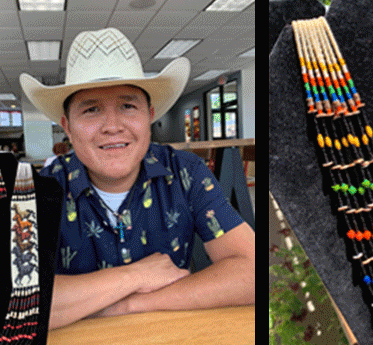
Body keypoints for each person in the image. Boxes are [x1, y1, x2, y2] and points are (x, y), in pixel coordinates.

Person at [20, 28, 254, 329]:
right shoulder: (41, 191)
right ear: (67, 126)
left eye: (127, 106)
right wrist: (136, 276)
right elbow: (18, 305)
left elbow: (252, 272)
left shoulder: (186, 172)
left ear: (149, 116)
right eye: (91, 110)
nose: (112, 126)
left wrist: (130, 304)